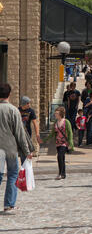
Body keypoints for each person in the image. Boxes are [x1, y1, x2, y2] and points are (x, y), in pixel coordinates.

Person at [0, 83, 33, 213]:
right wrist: (27, 151)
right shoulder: (13, 110)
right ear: (9, 94)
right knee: (13, 174)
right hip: (10, 149)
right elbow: (20, 133)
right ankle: (9, 204)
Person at [46, 106, 74, 180]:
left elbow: (70, 134)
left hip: (64, 143)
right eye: (55, 113)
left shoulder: (66, 122)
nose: (55, 114)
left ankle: (60, 174)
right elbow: (52, 133)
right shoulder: (55, 122)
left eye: (57, 113)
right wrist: (44, 140)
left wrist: (71, 144)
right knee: (61, 158)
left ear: (61, 114)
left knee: (59, 156)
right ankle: (63, 174)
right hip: (58, 143)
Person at [18, 96, 42, 162]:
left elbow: (35, 123)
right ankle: (24, 165)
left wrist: (37, 135)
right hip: (19, 134)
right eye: (27, 103)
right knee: (21, 151)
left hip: (27, 134)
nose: (29, 104)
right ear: (23, 103)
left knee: (27, 150)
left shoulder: (31, 111)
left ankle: (26, 165)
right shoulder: (17, 110)